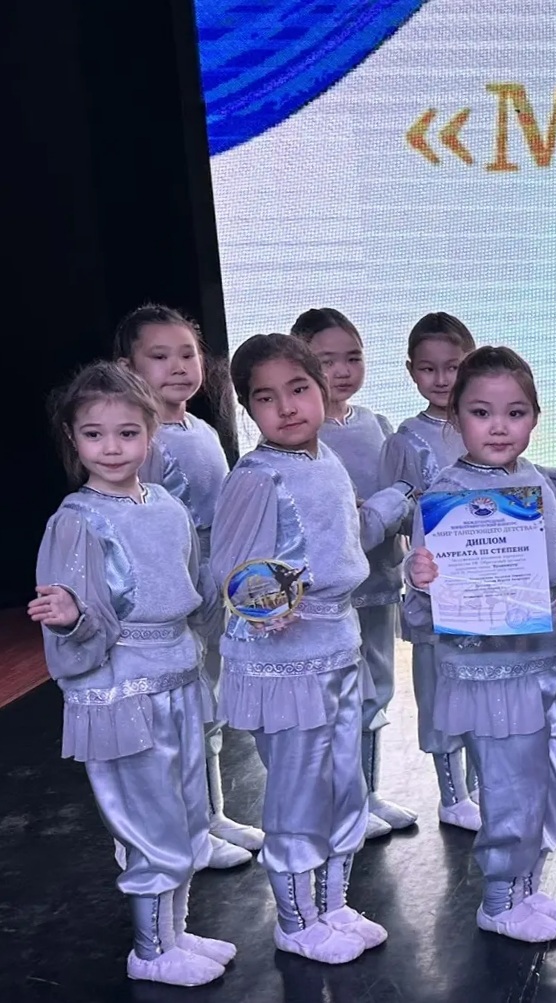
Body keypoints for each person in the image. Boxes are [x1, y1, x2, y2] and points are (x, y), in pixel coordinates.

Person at [33, 363, 234, 986]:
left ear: (151, 434)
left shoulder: (167, 506)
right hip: (122, 693)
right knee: (149, 823)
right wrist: (71, 619)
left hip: (178, 679)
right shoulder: (78, 519)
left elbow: (196, 588)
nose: (112, 447)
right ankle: (149, 951)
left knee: (186, 813)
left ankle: (175, 932)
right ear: (73, 439)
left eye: (127, 432)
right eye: (94, 434)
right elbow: (77, 614)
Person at [212, 334, 410, 963]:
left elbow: (343, 543)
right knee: (299, 791)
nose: (287, 407)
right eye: (266, 398)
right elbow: (231, 569)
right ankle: (296, 923)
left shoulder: (327, 462)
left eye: (298, 389)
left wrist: (391, 508)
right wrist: (269, 604)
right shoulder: (256, 477)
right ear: (248, 408)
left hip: (337, 646)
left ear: (321, 389)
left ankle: (334, 904)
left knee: (343, 782)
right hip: (284, 663)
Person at [405, 347, 556, 942]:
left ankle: (529, 885)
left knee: (548, 779)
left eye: (515, 413)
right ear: (456, 416)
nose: (499, 427)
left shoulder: (535, 482)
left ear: (535, 417)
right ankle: (500, 898)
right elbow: (423, 597)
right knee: (507, 786)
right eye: (482, 413)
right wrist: (420, 577)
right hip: (490, 670)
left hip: (547, 657)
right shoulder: (445, 495)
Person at [117, 304, 257, 868]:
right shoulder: (143, 440)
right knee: (178, 711)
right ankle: (186, 830)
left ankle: (211, 813)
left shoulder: (201, 429)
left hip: (214, 580)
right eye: (159, 356)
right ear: (127, 366)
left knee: (208, 703)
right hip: (174, 587)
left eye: (187, 354)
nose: (177, 367)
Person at [292, 308, 417, 839]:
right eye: (326, 361)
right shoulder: (301, 438)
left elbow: (402, 498)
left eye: (353, 358)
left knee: (377, 686)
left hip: (379, 579)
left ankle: (368, 792)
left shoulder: (378, 425)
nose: (341, 371)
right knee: (339, 694)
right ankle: (343, 800)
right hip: (325, 596)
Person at [380, 312, 482, 831]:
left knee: (481, 688)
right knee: (438, 689)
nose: (441, 379)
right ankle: (452, 794)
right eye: (428, 368)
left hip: (483, 587)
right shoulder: (406, 439)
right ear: (411, 371)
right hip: (434, 587)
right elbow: (394, 511)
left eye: (453, 366)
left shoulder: (483, 423)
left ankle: (484, 787)